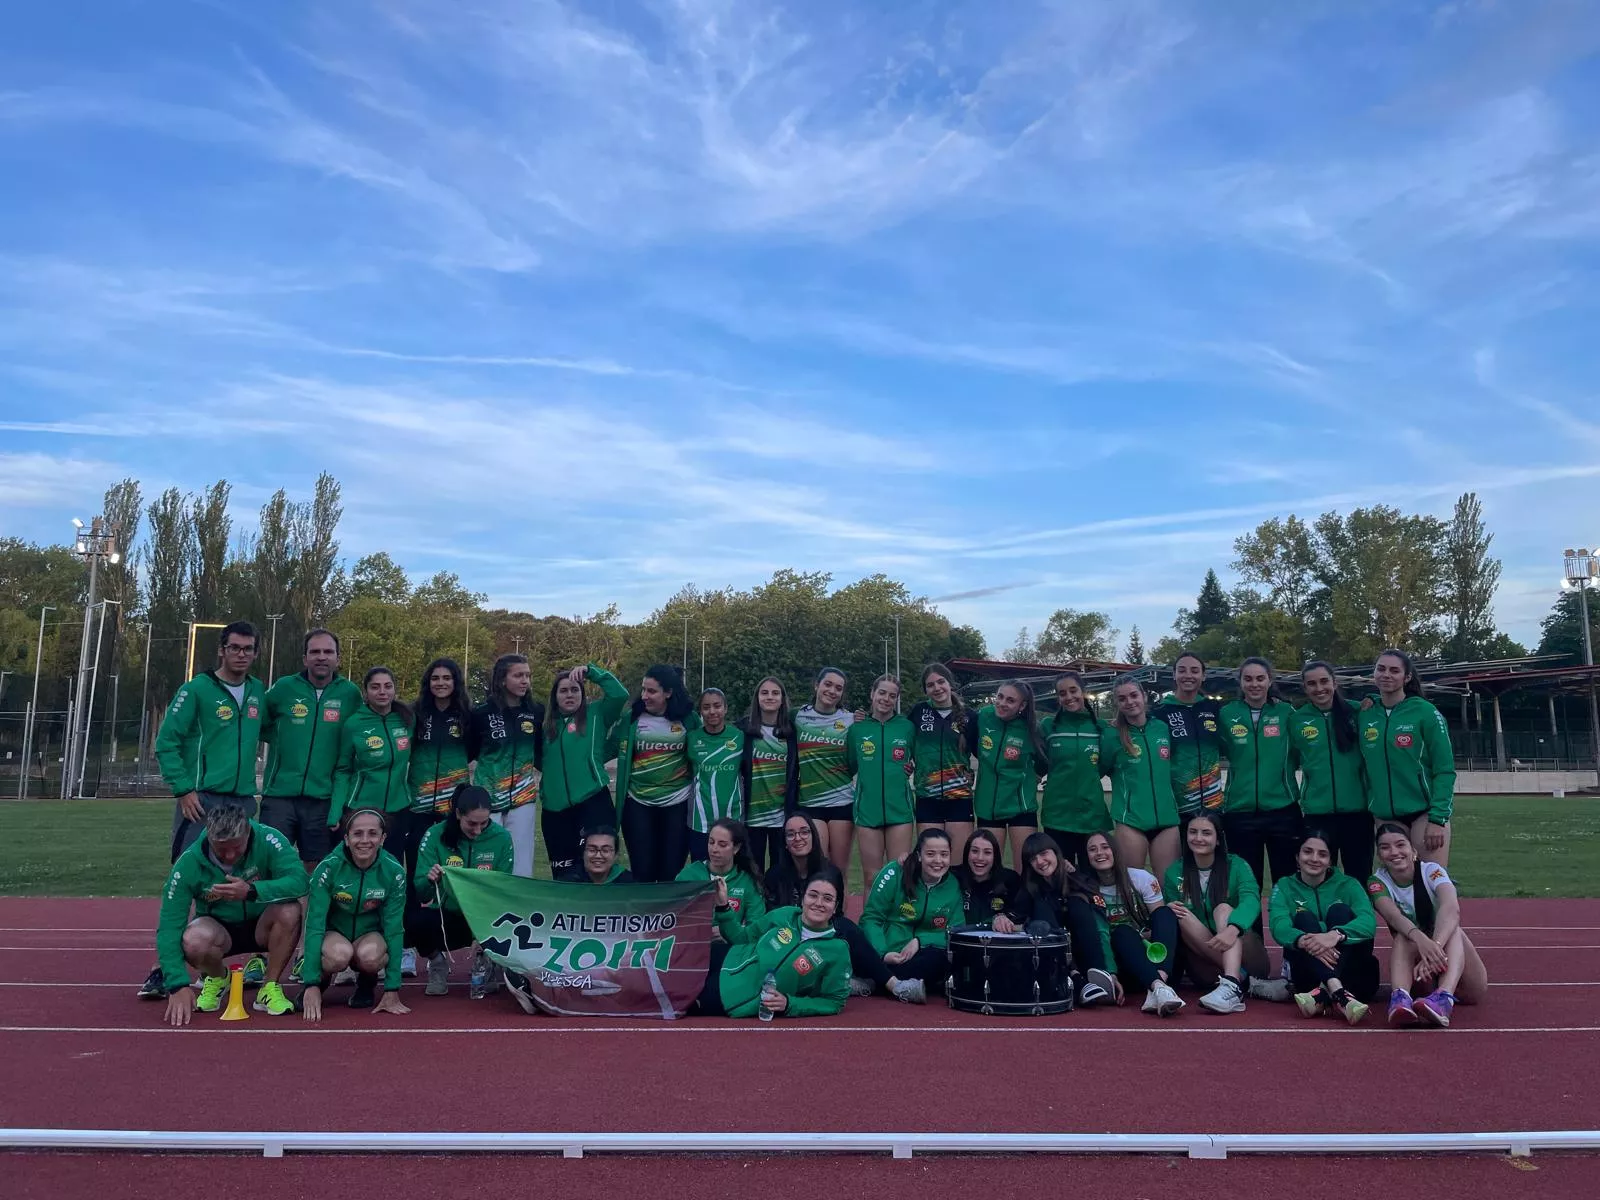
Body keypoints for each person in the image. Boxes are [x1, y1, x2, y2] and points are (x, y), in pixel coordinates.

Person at [143, 620, 268, 999]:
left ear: (256, 653)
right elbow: (166, 741)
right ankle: (163, 968)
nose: (241, 654)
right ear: (221, 649)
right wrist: (183, 789)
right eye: (235, 647)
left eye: (248, 649)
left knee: (249, 878)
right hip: (203, 801)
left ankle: (252, 959)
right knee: (185, 879)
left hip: (243, 801)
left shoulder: (259, 692)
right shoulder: (197, 690)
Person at [156, 802, 308, 1025]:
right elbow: (169, 926)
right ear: (208, 836)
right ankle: (218, 978)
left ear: (248, 831)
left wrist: (252, 891)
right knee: (192, 940)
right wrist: (177, 985)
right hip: (219, 929)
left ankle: (270, 987)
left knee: (290, 910)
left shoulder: (268, 839)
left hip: (262, 925)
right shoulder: (189, 862)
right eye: (221, 848)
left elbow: (300, 882)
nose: (229, 855)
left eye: (237, 847)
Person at [261, 628, 364, 872]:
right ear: (305, 658)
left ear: (338, 659)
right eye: (315, 652)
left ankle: (310, 911)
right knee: (270, 865)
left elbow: (359, 735)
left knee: (318, 868)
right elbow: (259, 723)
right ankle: (277, 911)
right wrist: (280, 739)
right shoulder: (284, 688)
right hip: (279, 796)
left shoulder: (350, 694)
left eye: (328, 652)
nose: (321, 657)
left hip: (323, 799)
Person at [1161, 812, 1284, 1014]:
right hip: (1205, 965)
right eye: (1193, 832)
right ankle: (1243, 983)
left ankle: (1232, 983)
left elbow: (1251, 899)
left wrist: (1233, 928)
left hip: (1250, 957)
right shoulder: (1175, 872)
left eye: (1206, 833)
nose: (1198, 838)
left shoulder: (1236, 865)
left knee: (1223, 909)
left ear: (1218, 839)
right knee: (1177, 912)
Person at [1368, 822, 1488, 1027]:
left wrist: (1435, 949)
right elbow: (1394, 917)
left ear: (1413, 850)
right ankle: (1400, 997)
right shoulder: (1377, 882)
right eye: (1385, 847)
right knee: (1403, 936)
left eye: (1400, 845)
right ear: (1379, 855)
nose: (1394, 852)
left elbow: (1451, 908)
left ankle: (1444, 997)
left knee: (1453, 930)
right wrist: (1422, 942)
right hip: (1418, 969)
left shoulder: (1432, 871)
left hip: (1448, 962)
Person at [692, 865, 851, 1019]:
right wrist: (723, 907)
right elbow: (742, 938)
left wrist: (790, 1004)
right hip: (725, 959)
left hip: (735, 997)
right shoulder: (784, 915)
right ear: (803, 899)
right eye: (813, 895)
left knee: (677, 1001)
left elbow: (834, 1002)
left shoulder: (837, 950)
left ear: (835, 907)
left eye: (827, 899)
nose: (818, 903)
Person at [298, 809, 410, 1019]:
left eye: (372, 834)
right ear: (346, 839)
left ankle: (367, 984)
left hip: (369, 934)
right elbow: (314, 924)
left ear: (383, 838)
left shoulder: (394, 872)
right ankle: (319, 987)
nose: (365, 840)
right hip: (335, 933)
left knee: (371, 956)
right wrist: (310, 982)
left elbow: (394, 929)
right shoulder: (328, 868)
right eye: (358, 834)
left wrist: (392, 988)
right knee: (339, 955)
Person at [410, 785, 514, 998]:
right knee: (412, 919)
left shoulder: (501, 838)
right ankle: (437, 964)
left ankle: (488, 962)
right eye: (471, 823)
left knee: (517, 918)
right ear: (458, 814)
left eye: (483, 823)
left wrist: (482, 933)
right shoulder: (435, 835)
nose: (477, 831)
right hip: (448, 916)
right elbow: (422, 893)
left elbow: (502, 893)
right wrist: (430, 880)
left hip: (485, 917)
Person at [993, 831, 1118, 1006]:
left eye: (1044, 854)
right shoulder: (1030, 889)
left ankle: (1098, 974)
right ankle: (1075, 979)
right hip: (1055, 960)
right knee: (1041, 907)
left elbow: (1100, 927)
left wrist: (1109, 971)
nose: (1040, 862)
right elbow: (1013, 916)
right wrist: (1000, 917)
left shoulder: (1080, 881)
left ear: (1056, 852)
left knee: (1077, 903)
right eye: (1033, 859)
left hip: (1086, 952)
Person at [1269, 830, 1380, 1024]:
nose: (1314, 858)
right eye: (1307, 852)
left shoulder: (1349, 884)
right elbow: (1278, 925)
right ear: (1297, 856)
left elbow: (1368, 922)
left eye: (1322, 854)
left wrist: (1336, 935)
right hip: (1307, 974)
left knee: (1339, 911)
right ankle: (1339, 993)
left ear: (1330, 860)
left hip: (1354, 974)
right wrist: (1306, 940)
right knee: (1303, 919)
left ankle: (1322, 993)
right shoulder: (1284, 885)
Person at [1359, 648, 1457, 867]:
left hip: (1423, 813)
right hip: (1384, 815)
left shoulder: (1425, 712)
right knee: (1398, 888)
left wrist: (1438, 819)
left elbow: (1444, 769)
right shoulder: (1365, 713)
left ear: (1407, 677)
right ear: (1373, 673)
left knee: (1431, 883)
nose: (1386, 675)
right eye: (1381, 669)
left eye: (1394, 670)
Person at [1218, 657, 1303, 898]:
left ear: (1270, 680)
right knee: (1246, 886)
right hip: (1239, 813)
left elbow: (1301, 751)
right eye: (1248, 679)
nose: (1254, 684)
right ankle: (1250, 936)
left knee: (1287, 883)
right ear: (1240, 682)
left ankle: (1290, 935)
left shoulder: (1286, 712)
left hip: (1283, 811)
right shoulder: (1226, 714)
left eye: (1260, 678)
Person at [541, 662, 631, 876]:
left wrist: (592, 673)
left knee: (597, 868)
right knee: (564, 874)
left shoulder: (596, 714)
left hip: (592, 803)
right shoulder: (545, 726)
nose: (569, 695)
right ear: (555, 696)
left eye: (575, 690)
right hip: (554, 810)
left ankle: (602, 908)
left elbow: (619, 695)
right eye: (563, 691)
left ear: (583, 694)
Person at [613, 664, 698, 883]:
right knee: (643, 872)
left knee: (671, 872)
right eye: (643, 690)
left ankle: (667, 917)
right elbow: (604, 751)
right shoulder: (631, 719)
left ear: (668, 693)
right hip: (638, 803)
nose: (644, 696)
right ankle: (643, 917)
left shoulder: (689, 720)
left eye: (651, 691)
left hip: (678, 804)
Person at [1083, 831, 1183, 1016]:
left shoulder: (1140, 878)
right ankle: (1158, 988)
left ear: (1115, 850)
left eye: (1105, 847)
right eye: (1092, 849)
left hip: (1158, 961)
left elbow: (1159, 927)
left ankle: (1158, 985)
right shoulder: (1085, 887)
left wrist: (1142, 937)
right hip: (1124, 964)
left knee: (1165, 912)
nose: (1099, 853)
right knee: (1122, 932)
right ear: (1086, 856)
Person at [861, 829, 964, 1003]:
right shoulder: (894, 872)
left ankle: (873, 982)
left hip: (918, 956)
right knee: (852, 939)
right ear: (919, 855)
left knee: (942, 960)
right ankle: (894, 982)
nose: (938, 861)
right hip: (885, 951)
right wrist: (882, 954)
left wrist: (920, 940)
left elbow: (956, 931)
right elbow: (871, 918)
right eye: (930, 854)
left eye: (944, 854)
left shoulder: (952, 885)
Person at [1293, 661, 1373, 882]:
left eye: (1324, 681)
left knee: (1359, 878)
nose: (1319, 688)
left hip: (1357, 813)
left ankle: (1361, 918)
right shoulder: (1296, 719)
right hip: (1317, 815)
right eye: (1311, 684)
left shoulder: (1358, 711)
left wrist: (1373, 698)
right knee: (1318, 878)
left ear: (1334, 683)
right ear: (1305, 688)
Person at [1098, 676, 1180, 883]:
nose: (1130, 701)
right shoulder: (1111, 734)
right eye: (1122, 698)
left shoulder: (1162, 728)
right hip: (1131, 821)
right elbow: (1098, 770)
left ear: (1144, 696)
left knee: (1169, 887)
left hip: (1167, 821)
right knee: (1132, 886)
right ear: (1116, 703)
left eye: (1134, 695)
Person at [470, 653, 544, 877]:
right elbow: (470, 751)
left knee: (521, 862)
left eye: (528, 676)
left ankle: (520, 907)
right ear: (502, 679)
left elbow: (541, 753)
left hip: (523, 797)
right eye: (518, 675)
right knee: (487, 860)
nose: (525, 681)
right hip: (488, 797)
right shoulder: (481, 713)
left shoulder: (536, 711)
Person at [965, 680, 1049, 868]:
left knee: (1025, 869)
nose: (1002, 703)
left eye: (1010, 700)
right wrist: (966, 770)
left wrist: (1035, 776)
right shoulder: (984, 716)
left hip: (1021, 807)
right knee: (988, 868)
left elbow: (1045, 760)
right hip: (988, 806)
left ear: (1022, 705)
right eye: (1000, 697)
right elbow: (968, 744)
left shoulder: (1031, 728)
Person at [328, 667, 414, 840]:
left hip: (399, 808)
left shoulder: (407, 719)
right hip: (362, 808)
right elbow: (343, 770)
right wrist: (335, 811)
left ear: (394, 689)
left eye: (388, 686)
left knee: (393, 864)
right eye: (375, 687)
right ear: (365, 692)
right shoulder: (353, 724)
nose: (382, 692)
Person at [1038, 671, 1112, 871]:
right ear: (1057, 697)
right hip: (1056, 817)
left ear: (1083, 692)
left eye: (1073, 690)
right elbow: (1037, 764)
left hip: (1092, 817)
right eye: (1062, 693)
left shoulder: (1101, 728)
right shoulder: (1047, 727)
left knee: (1094, 877)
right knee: (1061, 877)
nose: (1069, 697)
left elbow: (1103, 768)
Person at [847, 674, 917, 882]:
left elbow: (916, 759)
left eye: (892, 695)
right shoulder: (857, 729)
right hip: (867, 812)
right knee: (872, 877)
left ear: (897, 699)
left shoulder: (907, 727)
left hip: (900, 812)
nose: (886, 699)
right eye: (882, 693)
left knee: (898, 875)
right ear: (872, 694)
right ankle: (870, 917)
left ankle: (897, 916)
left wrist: (910, 767)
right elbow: (850, 765)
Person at [908, 663, 975, 856]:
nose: (937, 688)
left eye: (941, 682)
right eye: (930, 685)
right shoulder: (918, 712)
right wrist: (904, 764)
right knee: (930, 862)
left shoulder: (970, 716)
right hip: (927, 797)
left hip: (960, 798)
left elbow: (985, 753)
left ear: (950, 683)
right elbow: (900, 742)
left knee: (958, 863)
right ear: (925, 690)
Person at [793, 667, 857, 871]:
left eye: (838, 688)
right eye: (827, 684)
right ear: (816, 685)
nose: (832, 691)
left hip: (842, 801)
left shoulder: (851, 720)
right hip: (810, 803)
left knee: (839, 871)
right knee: (818, 868)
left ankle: (842, 905)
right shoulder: (797, 715)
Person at [1152, 651, 1225, 819]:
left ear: (1203, 675)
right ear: (1174, 674)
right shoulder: (1159, 713)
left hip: (1213, 806)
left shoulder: (1214, 708)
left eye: (1194, 670)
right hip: (1177, 807)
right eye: (1182, 670)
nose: (1188, 675)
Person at [739, 676, 800, 873]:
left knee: (781, 872)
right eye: (764, 693)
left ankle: (779, 904)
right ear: (757, 698)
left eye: (775, 693)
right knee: (751, 871)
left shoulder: (792, 732)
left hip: (781, 817)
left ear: (783, 699)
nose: (770, 697)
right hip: (751, 817)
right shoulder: (742, 730)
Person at [686, 689, 747, 863]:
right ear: (700, 711)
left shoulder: (739, 737)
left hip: (733, 817)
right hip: (700, 819)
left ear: (725, 708)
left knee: (735, 871)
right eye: (706, 707)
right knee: (702, 874)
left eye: (717, 706)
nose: (712, 711)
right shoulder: (691, 738)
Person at [678, 818, 767, 933]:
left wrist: (729, 932)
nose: (714, 849)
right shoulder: (689, 875)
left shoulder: (747, 881)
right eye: (711, 842)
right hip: (693, 947)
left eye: (722, 845)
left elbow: (756, 927)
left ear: (736, 848)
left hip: (732, 948)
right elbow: (673, 917)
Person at [952, 828, 1018, 929]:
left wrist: (1002, 917)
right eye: (974, 851)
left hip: (995, 943)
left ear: (995, 856)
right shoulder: (953, 877)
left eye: (987, 852)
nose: (980, 858)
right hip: (957, 940)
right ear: (967, 853)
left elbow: (1021, 914)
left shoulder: (1010, 880)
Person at [559, 825, 634, 884]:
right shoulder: (569, 882)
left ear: (616, 855)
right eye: (592, 850)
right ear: (583, 853)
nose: (598, 855)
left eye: (605, 850)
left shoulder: (628, 884)